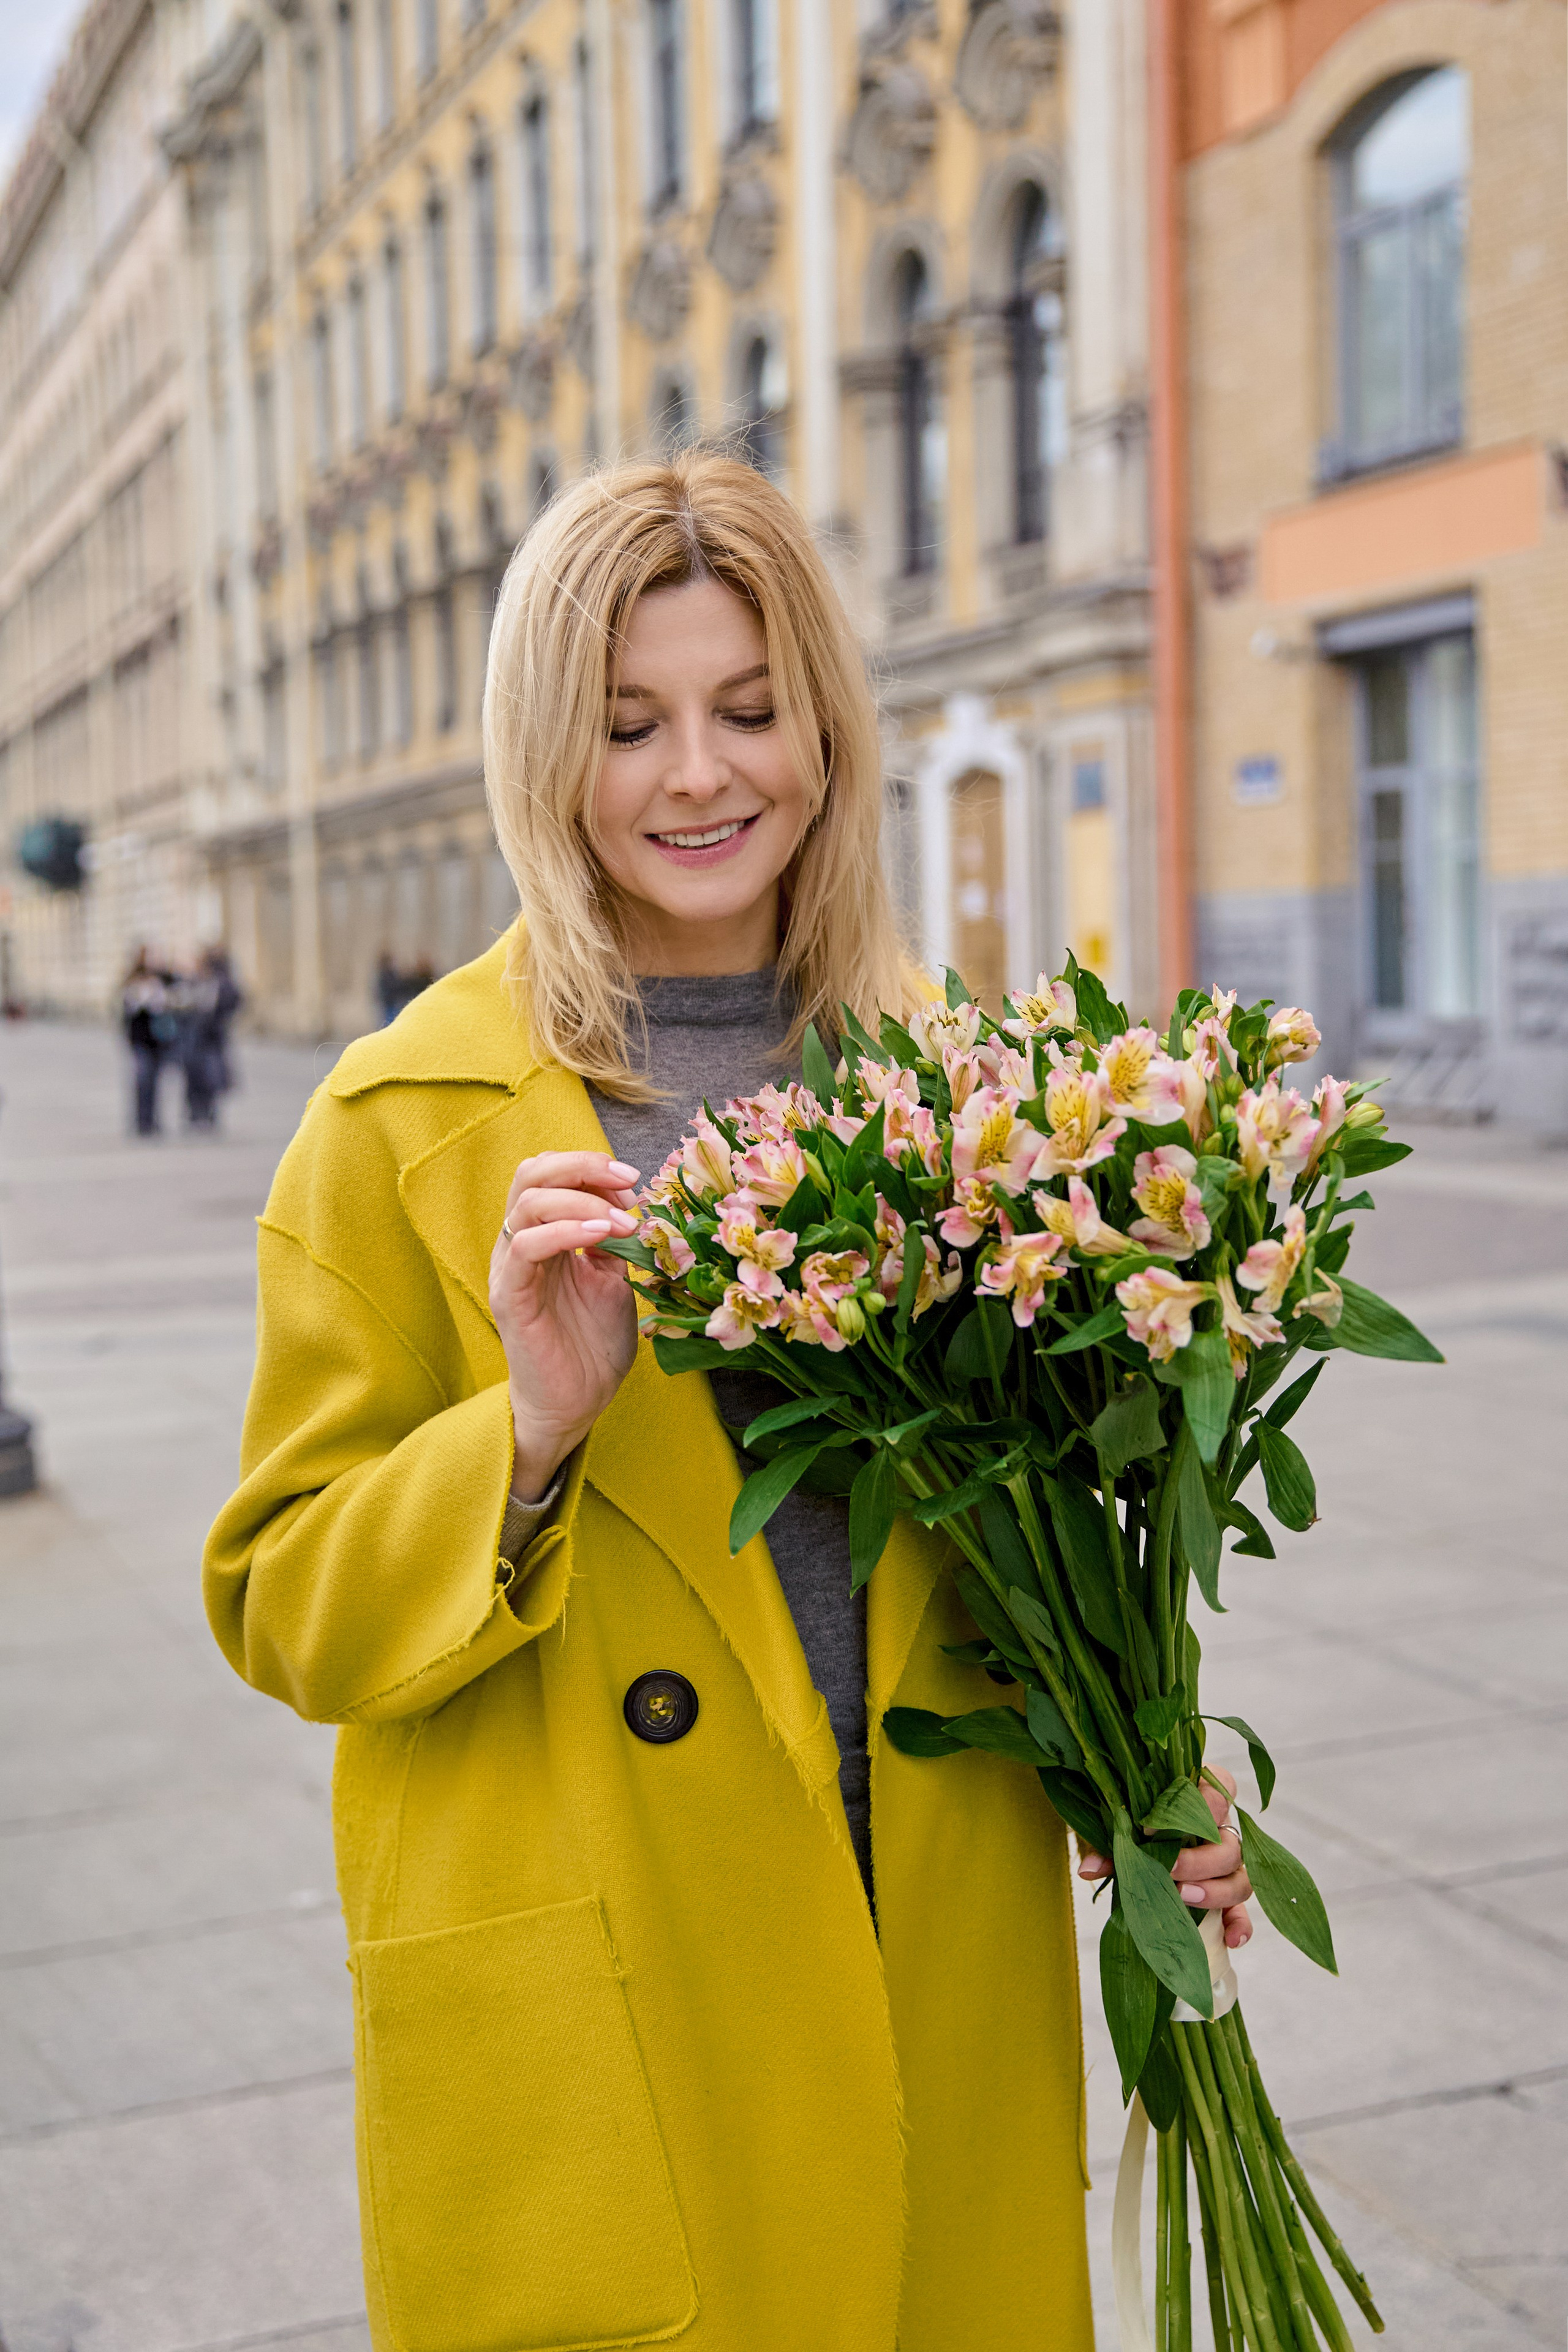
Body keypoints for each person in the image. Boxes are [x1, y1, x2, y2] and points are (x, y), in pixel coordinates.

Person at [203, 457, 1251, 2351]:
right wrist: (522, 1430)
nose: (699, 773)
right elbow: (282, 1599)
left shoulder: (965, 1089)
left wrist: (1139, 1744)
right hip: (620, 1977)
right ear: (549, 755)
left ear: (829, 736)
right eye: (629, 724)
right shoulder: (403, 1116)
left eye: (750, 710)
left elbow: (1027, 1526)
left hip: (921, 1930)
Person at [180, 946, 243, 1129]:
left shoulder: (220, 984)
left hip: (212, 1040)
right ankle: (195, 1113)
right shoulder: (192, 983)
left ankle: (210, 1113)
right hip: (193, 1040)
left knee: (212, 1078)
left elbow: (234, 1001)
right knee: (193, 1079)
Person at [120, 946, 177, 1137]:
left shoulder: (162, 980)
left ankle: (154, 1120)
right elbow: (127, 1011)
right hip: (140, 1040)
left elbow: (174, 995)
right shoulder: (131, 982)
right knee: (143, 1079)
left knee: (156, 1081)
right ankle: (142, 1121)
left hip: (159, 1040)